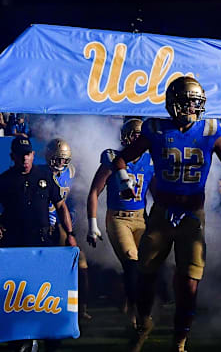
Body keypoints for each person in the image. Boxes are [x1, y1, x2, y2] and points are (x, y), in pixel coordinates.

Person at [111, 76, 221, 352]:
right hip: (161, 212)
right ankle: (143, 322)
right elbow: (121, 158)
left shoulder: (210, 129)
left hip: (193, 215)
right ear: (174, 103)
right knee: (146, 274)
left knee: (190, 283)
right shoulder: (155, 129)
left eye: (197, 103)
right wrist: (124, 179)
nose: (194, 108)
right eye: (189, 102)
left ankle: (180, 342)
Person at [0, 137, 76, 352]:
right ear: (12, 156)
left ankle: (51, 338)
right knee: (17, 292)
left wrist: (70, 233)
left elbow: (60, 206)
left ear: (33, 155)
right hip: (15, 243)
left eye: (28, 154)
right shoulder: (4, 180)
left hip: (43, 242)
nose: (25, 158)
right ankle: (20, 339)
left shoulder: (44, 176)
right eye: (20, 154)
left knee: (47, 290)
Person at [86, 118, 156, 329]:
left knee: (145, 267)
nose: (137, 139)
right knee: (131, 261)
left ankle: (133, 304)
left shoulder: (149, 160)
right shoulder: (113, 157)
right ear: (126, 136)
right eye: (134, 134)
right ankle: (135, 316)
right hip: (118, 218)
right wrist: (92, 224)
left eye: (140, 135)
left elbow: (154, 191)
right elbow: (94, 193)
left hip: (141, 218)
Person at [44, 138, 92, 321]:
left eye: (64, 159)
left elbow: (75, 199)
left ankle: (81, 307)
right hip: (46, 225)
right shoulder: (41, 173)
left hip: (64, 224)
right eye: (57, 159)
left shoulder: (71, 173)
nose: (61, 163)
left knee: (80, 263)